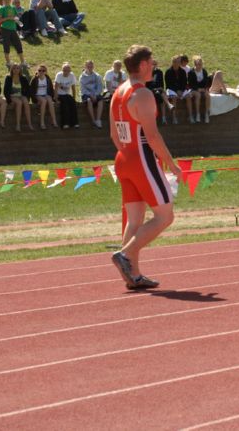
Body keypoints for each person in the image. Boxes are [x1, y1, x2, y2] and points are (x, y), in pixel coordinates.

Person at [110, 44, 182, 291]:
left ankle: (134, 274)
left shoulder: (119, 92)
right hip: (141, 157)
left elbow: (114, 134)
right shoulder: (142, 94)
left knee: (135, 219)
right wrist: (171, 163)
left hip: (124, 157)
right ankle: (125, 253)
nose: (154, 66)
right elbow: (152, 136)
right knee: (165, 215)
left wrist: (128, 152)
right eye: (152, 62)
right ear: (142, 65)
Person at [0, 0, 27, 68]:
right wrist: (8, 18)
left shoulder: (13, 8)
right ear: (3, 0)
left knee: (18, 45)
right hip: (5, 29)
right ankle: (8, 62)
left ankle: (23, 62)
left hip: (13, 29)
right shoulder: (2, 9)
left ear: (10, 0)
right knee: (6, 46)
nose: (6, 1)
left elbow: (16, 16)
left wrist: (16, 19)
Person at [3, 63, 33, 131]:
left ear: (20, 70)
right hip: (12, 96)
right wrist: (9, 100)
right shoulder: (8, 78)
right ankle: (18, 125)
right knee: (19, 103)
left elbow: (28, 89)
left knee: (25, 102)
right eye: (14, 68)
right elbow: (5, 91)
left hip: (21, 95)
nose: (16, 70)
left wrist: (27, 98)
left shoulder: (23, 78)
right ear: (11, 70)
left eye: (17, 68)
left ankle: (30, 124)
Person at [31, 64, 57, 129]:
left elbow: (51, 89)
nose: (41, 72)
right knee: (44, 101)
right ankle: (42, 122)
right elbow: (31, 90)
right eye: (40, 70)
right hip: (38, 95)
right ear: (37, 71)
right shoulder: (35, 79)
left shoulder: (47, 79)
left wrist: (53, 97)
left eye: (43, 70)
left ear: (46, 71)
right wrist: (34, 100)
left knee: (50, 100)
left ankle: (54, 121)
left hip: (45, 94)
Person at [80, 60, 105, 128]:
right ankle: (93, 120)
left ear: (93, 66)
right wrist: (90, 95)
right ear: (85, 66)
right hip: (86, 94)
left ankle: (98, 119)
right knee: (89, 101)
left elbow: (100, 87)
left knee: (101, 101)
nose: (90, 67)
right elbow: (83, 89)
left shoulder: (97, 76)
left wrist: (96, 95)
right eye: (88, 66)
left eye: (91, 66)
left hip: (95, 94)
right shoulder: (82, 77)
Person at [186, 55, 212, 124]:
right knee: (198, 95)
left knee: (208, 95)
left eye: (200, 64)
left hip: (202, 89)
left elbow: (206, 82)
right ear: (195, 64)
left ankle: (206, 114)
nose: (199, 66)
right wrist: (198, 89)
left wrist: (204, 89)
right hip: (194, 89)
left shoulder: (204, 71)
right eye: (198, 64)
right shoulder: (191, 72)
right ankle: (198, 114)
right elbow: (191, 83)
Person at [163, 55, 187, 124]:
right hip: (171, 90)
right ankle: (174, 117)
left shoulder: (182, 71)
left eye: (179, 62)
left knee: (189, 96)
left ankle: (191, 116)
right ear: (173, 62)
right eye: (176, 62)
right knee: (174, 98)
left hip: (180, 90)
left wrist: (181, 90)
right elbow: (168, 84)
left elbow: (184, 83)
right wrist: (176, 91)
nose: (178, 63)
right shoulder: (168, 72)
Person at [54, 62, 79, 129]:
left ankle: (75, 123)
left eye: (68, 71)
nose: (66, 72)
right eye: (64, 70)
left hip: (67, 94)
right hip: (60, 94)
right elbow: (55, 88)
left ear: (70, 71)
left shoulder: (72, 75)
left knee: (72, 103)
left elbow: (73, 88)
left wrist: (74, 98)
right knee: (65, 104)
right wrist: (56, 99)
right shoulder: (59, 75)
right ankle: (65, 123)